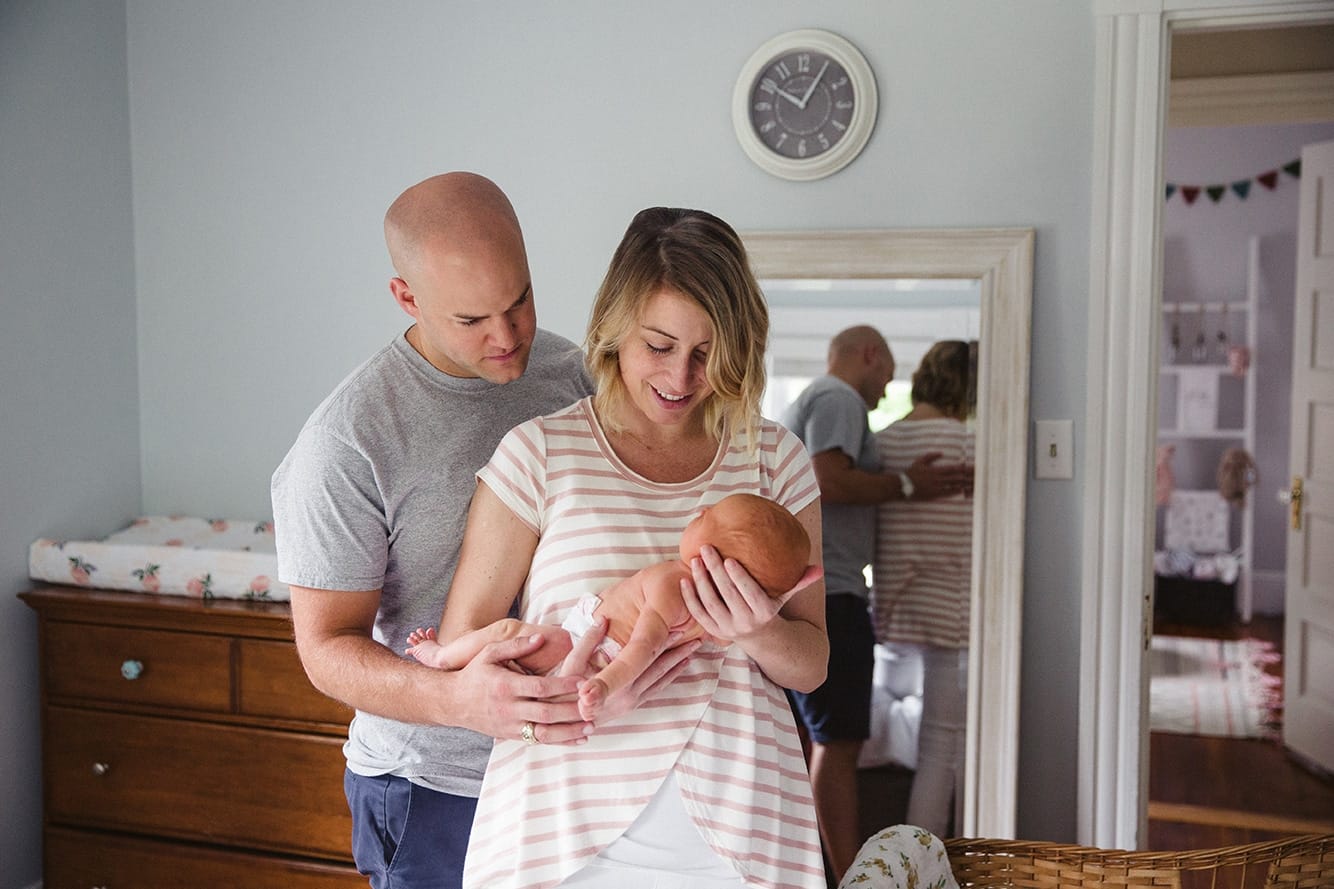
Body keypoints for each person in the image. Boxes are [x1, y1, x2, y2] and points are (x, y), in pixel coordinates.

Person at [270, 172, 688, 889]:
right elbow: (324, 648)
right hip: (434, 788)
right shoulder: (347, 441)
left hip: (572, 771)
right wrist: (458, 698)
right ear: (406, 297)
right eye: (471, 320)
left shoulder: (574, 373)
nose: (507, 336)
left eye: (519, 299)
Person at [439, 206, 829, 889]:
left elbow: (814, 664)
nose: (681, 377)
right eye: (658, 345)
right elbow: (464, 661)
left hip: (740, 836)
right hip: (560, 834)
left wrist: (760, 631)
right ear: (614, 329)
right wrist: (574, 703)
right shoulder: (539, 453)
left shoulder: (774, 458)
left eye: (706, 352)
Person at [780, 325, 971, 882]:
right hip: (832, 593)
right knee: (839, 746)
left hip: (826, 588)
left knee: (824, 741)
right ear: (870, 355)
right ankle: (853, 879)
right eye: (889, 371)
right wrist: (909, 485)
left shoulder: (816, 399)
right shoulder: (838, 398)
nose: (891, 387)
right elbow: (828, 478)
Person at [406, 492, 810, 721]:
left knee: (508, 632)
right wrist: (768, 606)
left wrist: (604, 684)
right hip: (591, 657)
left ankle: (443, 656)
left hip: (585, 646)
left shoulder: (674, 583)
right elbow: (721, 639)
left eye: (710, 518)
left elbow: (644, 647)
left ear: (715, 558)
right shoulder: (714, 616)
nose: (701, 510)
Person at [872, 339, 978, 838]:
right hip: (955, 611)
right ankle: (932, 863)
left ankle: (902, 849)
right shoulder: (971, 445)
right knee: (946, 746)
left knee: (914, 725)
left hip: (896, 607)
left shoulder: (884, 443)